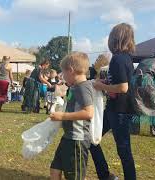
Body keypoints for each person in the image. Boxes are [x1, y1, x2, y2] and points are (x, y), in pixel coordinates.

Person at [90, 23, 137, 180]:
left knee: (124, 150)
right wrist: (103, 81)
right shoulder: (123, 58)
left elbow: (123, 87)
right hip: (113, 109)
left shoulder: (119, 59)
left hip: (120, 111)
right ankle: (105, 176)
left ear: (115, 39)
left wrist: (100, 85)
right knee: (92, 138)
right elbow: (119, 82)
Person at [49, 52, 94, 180]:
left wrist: (63, 116)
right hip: (68, 137)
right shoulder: (76, 87)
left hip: (77, 140)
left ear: (71, 71)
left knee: (74, 176)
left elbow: (89, 113)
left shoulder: (83, 88)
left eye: (63, 72)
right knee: (55, 169)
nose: (62, 76)